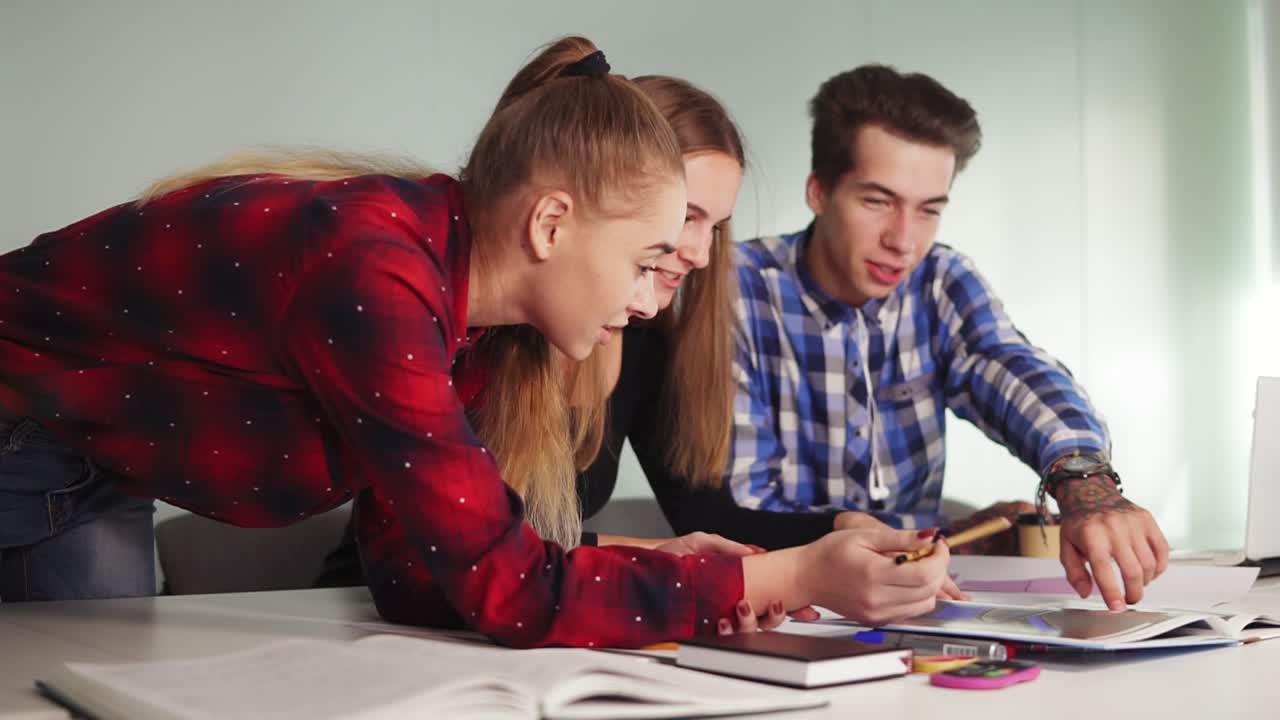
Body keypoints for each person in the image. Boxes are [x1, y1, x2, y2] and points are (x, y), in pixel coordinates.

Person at [0, 37, 951, 646]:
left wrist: (688, 571)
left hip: (92, 469)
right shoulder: (375, 276)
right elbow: (507, 590)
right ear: (550, 225)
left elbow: (431, 576)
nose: (658, 300)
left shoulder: (475, 333)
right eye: (650, 254)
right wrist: (774, 572)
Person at [727, 64, 1170, 610]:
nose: (903, 241)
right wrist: (898, 550)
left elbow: (1010, 369)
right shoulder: (736, 288)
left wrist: (1085, 485)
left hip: (919, 607)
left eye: (929, 210)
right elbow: (737, 507)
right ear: (818, 191)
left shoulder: (940, 280)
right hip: (779, 607)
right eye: (877, 202)